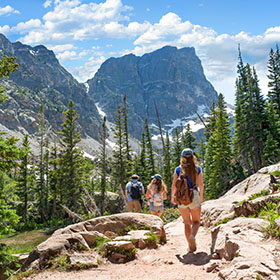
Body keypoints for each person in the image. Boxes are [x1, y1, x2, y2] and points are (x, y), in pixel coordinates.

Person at [171, 148, 204, 252]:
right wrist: (201, 197)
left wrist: (173, 197)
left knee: (186, 223)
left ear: (182, 157)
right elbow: (201, 185)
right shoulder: (197, 168)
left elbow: (174, 185)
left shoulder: (178, 169)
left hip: (181, 197)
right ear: (193, 157)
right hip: (193, 194)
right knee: (196, 222)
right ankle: (192, 236)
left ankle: (190, 246)